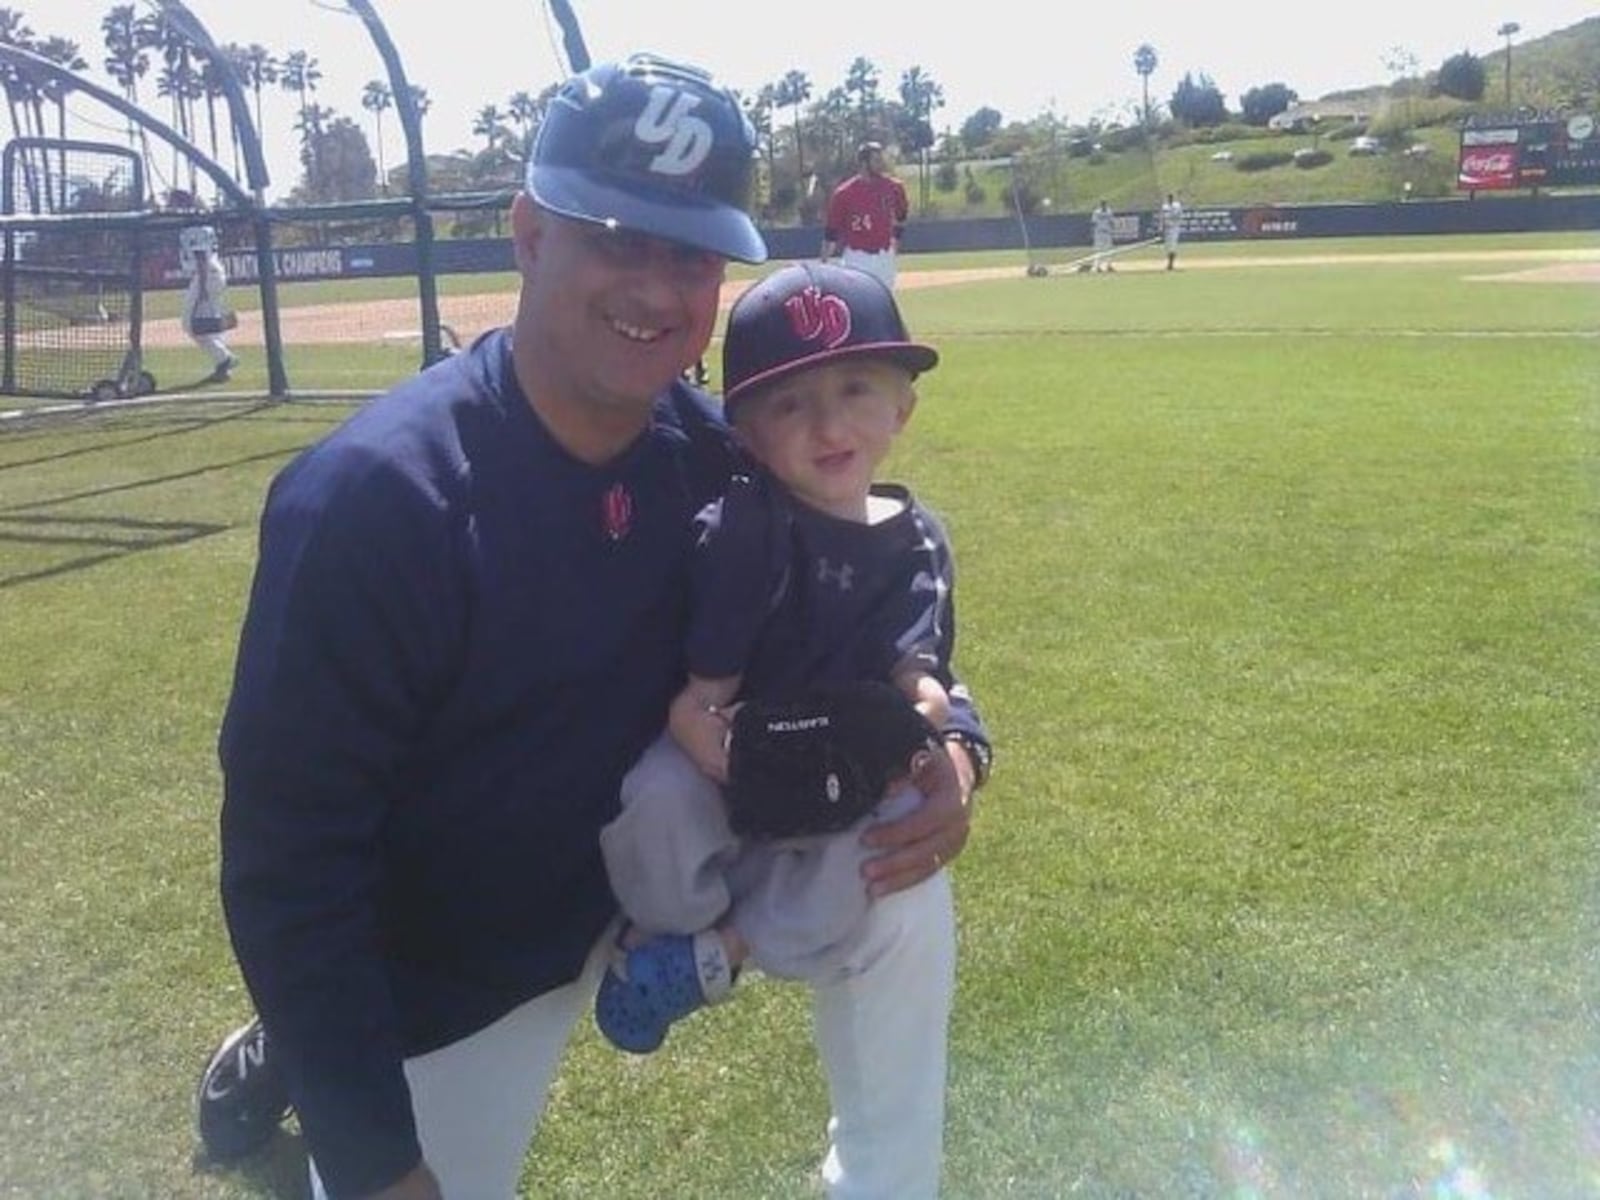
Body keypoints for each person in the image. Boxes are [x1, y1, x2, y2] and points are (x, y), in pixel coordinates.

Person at [204, 52, 988, 1200]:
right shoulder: (373, 500)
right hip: (460, 955)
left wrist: (957, 737)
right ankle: (298, 1049)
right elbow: (289, 863)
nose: (658, 289)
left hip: (655, 882)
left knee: (906, 882)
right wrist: (374, 1161)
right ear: (528, 234)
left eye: (688, 254)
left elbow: (869, 587)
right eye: (617, 235)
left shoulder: (720, 454)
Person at [595, 260, 979, 1062]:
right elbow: (702, 697)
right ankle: (672, 927)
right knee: (657, 793)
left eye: (856, 391)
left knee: (884, 848)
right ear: (749, 436)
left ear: (903, 408)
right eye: (791, 404)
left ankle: (724, 948)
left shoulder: (918, 541)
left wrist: (931, 714)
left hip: (840, 769)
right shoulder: (745, 525)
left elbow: (920, 669)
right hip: (738, 751)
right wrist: (704, 736)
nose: (829, 427)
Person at [821, 140, 909, 290]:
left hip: (884, 257)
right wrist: (824, 262)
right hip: (857, 258)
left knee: (885, 304)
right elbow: (831, 233)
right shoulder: (844, 193)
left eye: (881, 160)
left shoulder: (894, 187)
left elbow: (901, 215)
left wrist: (895, 241)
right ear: (863, 163)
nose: (880, 164)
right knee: (858, 305)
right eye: (876, 160)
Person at [178, 222, 239, 382]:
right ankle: (223, 364)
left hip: (206, 276)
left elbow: (201, 259)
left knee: (189, 324)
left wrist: (203, 286)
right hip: (213, 274)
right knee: (205, 323)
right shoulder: (206, 227)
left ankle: (224, 352)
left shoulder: (194, 228)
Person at [1090, 199, 1116, 273]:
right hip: (1099, 233)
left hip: (1107, 233)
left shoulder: (1109, 211)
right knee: (1098, 250)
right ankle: (1096, 267)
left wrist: (1112, 230)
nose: (1103, 206)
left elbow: (1111, 222)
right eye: (1102, 204)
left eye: (1104, 204)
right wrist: (1092, 233)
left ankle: (1108, 266)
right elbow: (1093, 223)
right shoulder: (1096, 212)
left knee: (1109, 250)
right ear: (1100, 205)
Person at [1159, 191, 1183, 271]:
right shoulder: (1164, 207)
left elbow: (1177, 216)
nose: (1170, 199)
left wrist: (1174, 210)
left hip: (1174, 228)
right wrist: (1161, 227)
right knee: (1167, 246)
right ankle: (1169, 262)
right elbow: (1162, 217)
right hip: (1166, 229)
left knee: (1173, 246)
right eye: (1169, 198)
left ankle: (1170, 264)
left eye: (1171, 197)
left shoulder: (1177, 206)